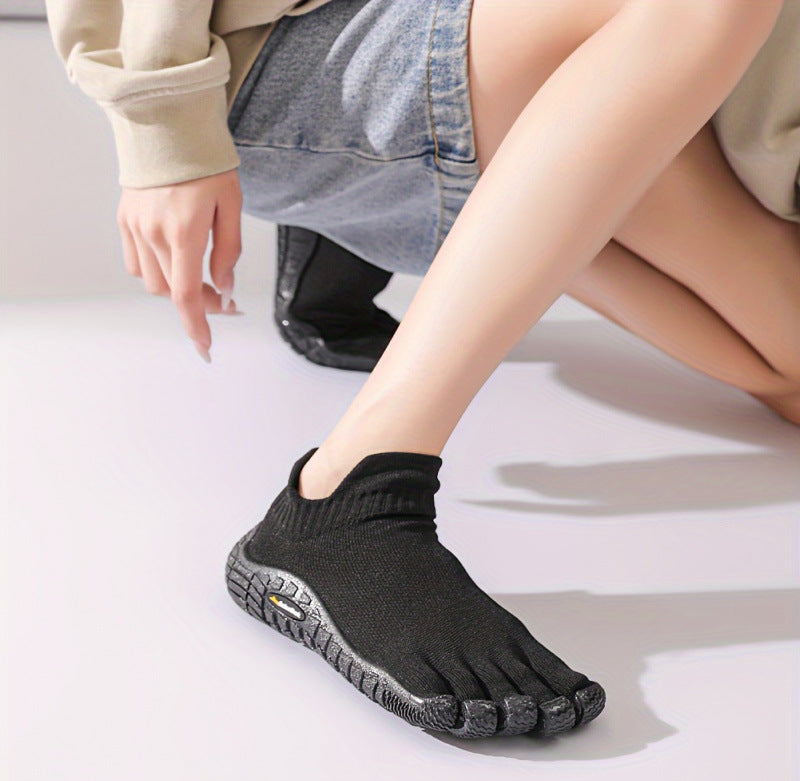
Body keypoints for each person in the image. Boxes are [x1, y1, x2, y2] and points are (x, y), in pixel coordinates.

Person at [46, 0, 798, 740]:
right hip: (271, 61)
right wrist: (163, 128)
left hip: (583, 56)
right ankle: (353, 485)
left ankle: (438, 217)